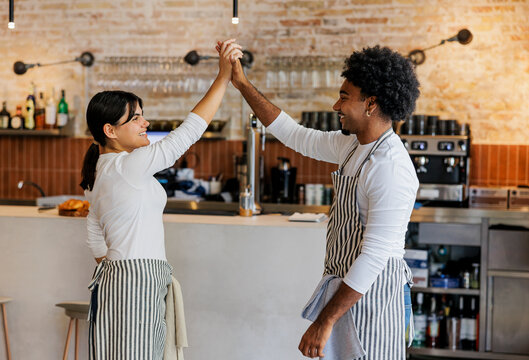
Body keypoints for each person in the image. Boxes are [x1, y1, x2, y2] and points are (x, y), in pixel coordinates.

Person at [224, 43, 420, 359]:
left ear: (371, 103)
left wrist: (324, 320)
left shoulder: (389, 166)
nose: (335, 105)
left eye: (344, 96)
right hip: (348, 295)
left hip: (373, 299)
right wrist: (242, 85)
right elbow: (294, 134)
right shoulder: (353, 147)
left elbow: (373, 258)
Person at [80, 39, 243, 360]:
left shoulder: (100, 171)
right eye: (136, 118)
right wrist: (223, 78)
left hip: (124, 280)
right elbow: (189, 132)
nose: (146, 124)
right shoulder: (127, 165)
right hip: (135, 281)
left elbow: (95, 236)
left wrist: (119, 269)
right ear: (110, 130)